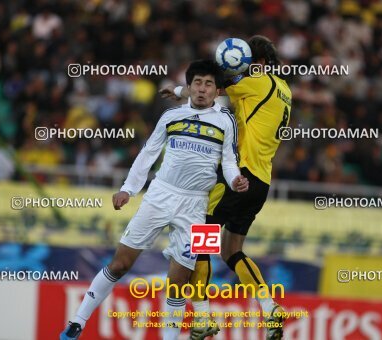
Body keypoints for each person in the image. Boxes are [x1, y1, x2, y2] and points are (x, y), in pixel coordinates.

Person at [60, 60, 249, 340]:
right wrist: (127, 189)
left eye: (209, 84)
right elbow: (148, 154)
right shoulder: (171, 116)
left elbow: (230, 160)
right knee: (121, 263)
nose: (202, 89)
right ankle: (77, 321)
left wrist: (235, 179)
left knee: (179, 281)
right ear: (189, 87)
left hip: (198, 205)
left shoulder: (225, 120)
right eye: (197, 83)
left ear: (216, 91)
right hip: (160, 194)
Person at [160, 35, 292, 340]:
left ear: (258, 64)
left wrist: (178, 90)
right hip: (262, 181)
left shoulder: (259, 82)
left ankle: (203, 316)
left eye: (248, 65)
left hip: (239, 175)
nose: (243, 70)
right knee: (231, 251)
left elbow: (214, 88)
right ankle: (270, 306)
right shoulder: (285, 90)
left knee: (201, 236)